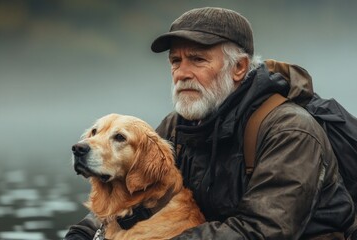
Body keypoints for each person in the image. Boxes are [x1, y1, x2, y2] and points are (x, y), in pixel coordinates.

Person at [65, 7, 356, 240]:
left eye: (197, 59)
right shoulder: (177, 127)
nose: (182, 73)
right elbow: (131, 198)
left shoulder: (290, 131)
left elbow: (261, 230)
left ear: (239, 67)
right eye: (176, 61)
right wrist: (81, 234)